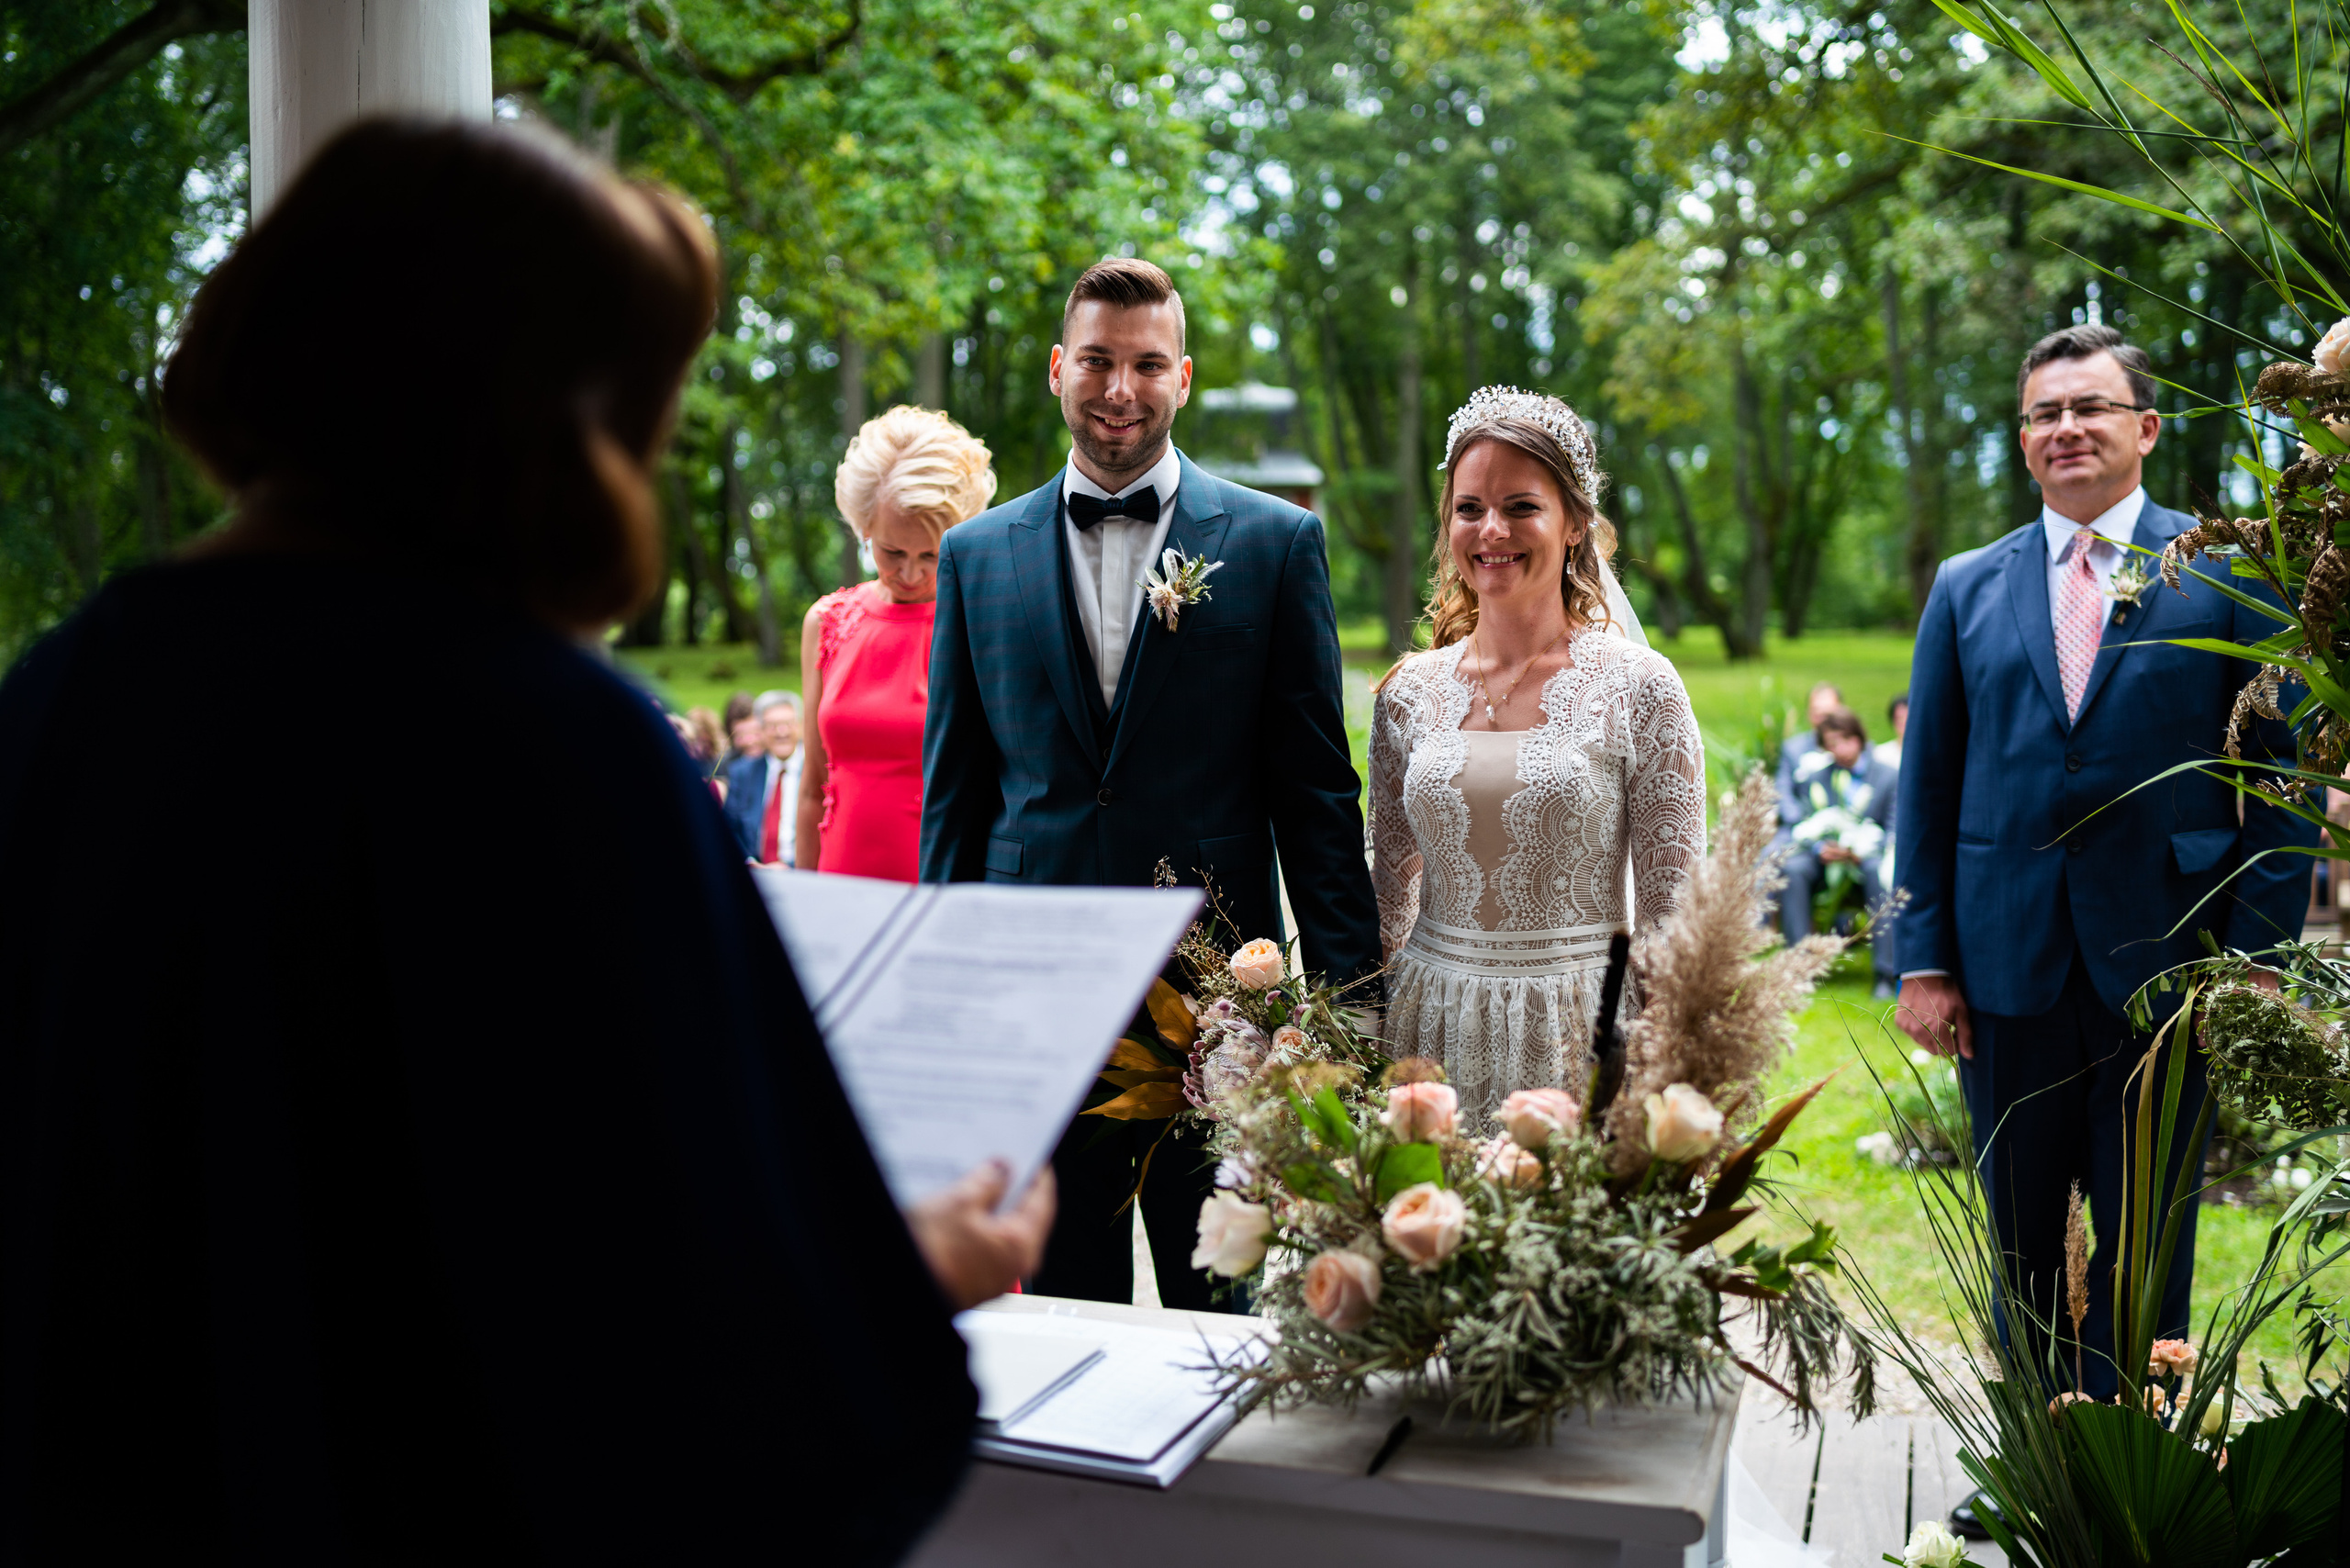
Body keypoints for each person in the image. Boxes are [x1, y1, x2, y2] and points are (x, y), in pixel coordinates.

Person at [0, 118, 1051, 1564]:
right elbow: (669, 1315)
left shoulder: (64, 697)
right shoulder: (545, 746)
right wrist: (912, 1276)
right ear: (558, 414)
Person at [1893, 323, 2312, 1492]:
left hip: (2171, 965)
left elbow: (2280, 781)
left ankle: (2132, 1475)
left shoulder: (2225, 570)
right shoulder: (1965, 588)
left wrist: (2256, 960)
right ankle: (2034, 1473)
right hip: (2004, 966)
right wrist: (1921, 960)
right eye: (2043, 413)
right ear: (2024, 439)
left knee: (2146, 1239)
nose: (2065, 428)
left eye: (2089, 407)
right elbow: (1928, 784)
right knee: (2020, 1240)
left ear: (2146, 427)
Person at [922, 256, 1382, 1310]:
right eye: (1096, 361)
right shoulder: (974, 557)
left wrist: (1350, 1009)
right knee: (1060, 1311)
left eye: (1145, 364)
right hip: (1036, 1002)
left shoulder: (1274, 544)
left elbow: (1316, 794)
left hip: (1217, 1009)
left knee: (1217, 1314)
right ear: (1057, 368)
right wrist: (947, 1006)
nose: (1118, 389)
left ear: (1183, 376)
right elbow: (957, 800)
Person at [1369, 386, 1706, 1121]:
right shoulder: (1406, 694)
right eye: (1469, 508)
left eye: (1521, 506)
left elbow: (1673, 921)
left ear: (1576, 522)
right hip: (1430, 1031)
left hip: (1577, 1030)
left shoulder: (1640, 686)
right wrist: (1359, 1040)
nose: (1491, 530)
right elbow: (1387, 899)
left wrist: (1663, 1083)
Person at [798, 407, 995, 879]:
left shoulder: (981, 620)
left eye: (931, 554)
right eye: (892, 552)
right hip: (840, 876)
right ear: (864, 527)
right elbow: (811, 786)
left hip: (942, 881)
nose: (910, 573)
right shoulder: (827, 622)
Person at [1775, 707, 1893, 943]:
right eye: (1832, 744)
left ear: (1859, 738)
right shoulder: (1817, 778)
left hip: (1866, 855)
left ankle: (1885, 962)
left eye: (1846, 740)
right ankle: (1800, 957)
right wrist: (1820, 847)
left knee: (1878, 872)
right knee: (1794, 868)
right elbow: (1805, 821)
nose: (1841, 749)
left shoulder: (1888, 776)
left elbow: (1893, 827)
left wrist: (1857, 850)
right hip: (1825, 855)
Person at [746, 689, 802, 866]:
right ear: (761, 730)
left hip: (802, 872)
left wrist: (789, 866)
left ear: (800, 726)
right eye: (772, 726)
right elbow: (731, 827)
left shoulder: (817, 771)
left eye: (788, 724)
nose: (781, 732)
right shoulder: (744, 773)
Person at [1776, 680, 1842, 828]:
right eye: (1817, 713)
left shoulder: (1857, 748)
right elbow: (1782, 790)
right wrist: (1800, 823)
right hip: (1802, 825)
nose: (1823, 719)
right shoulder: (1793, 749)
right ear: (1809, 714)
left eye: (1828, 713)